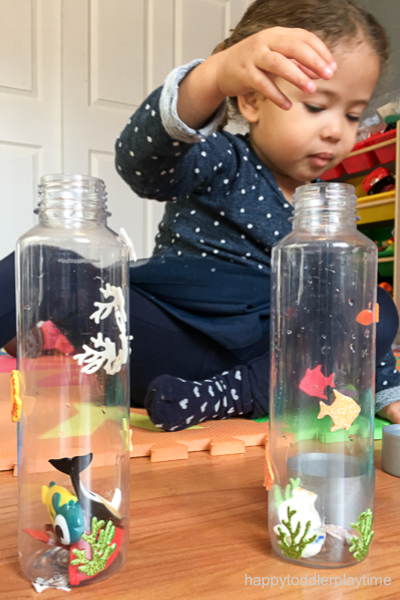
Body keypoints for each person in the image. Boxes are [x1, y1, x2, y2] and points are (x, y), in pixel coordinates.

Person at [1, 0, 399, 429]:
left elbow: (351, 328)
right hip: (166, 338)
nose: (337, 130)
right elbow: (143, 165)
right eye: (318, 107)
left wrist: (388, 391)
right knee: (37, 263)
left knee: (373, 304)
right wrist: (211, 77)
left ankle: (230, 396)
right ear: (251, 99)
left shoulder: (328, 210)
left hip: (258, 365)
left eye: (354, 114)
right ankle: (61, 338)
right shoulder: (221, 158)